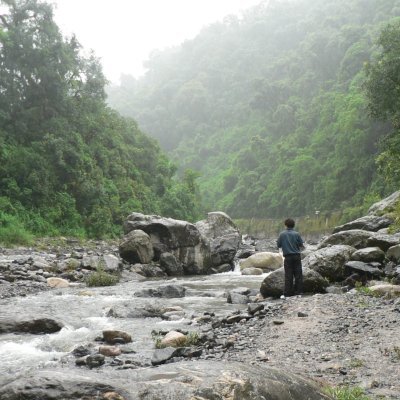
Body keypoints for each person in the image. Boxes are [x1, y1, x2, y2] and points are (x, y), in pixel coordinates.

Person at [277, 218, 304, 299]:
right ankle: (299, 292)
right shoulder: (297, 234)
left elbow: (278, 245)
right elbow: (301, 244)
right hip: (296, 256)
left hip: (288, 257)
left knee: (288, 275)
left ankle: (287, 294)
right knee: (298, 275)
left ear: (285, 225)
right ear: (293, 225)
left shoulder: (282, 234)